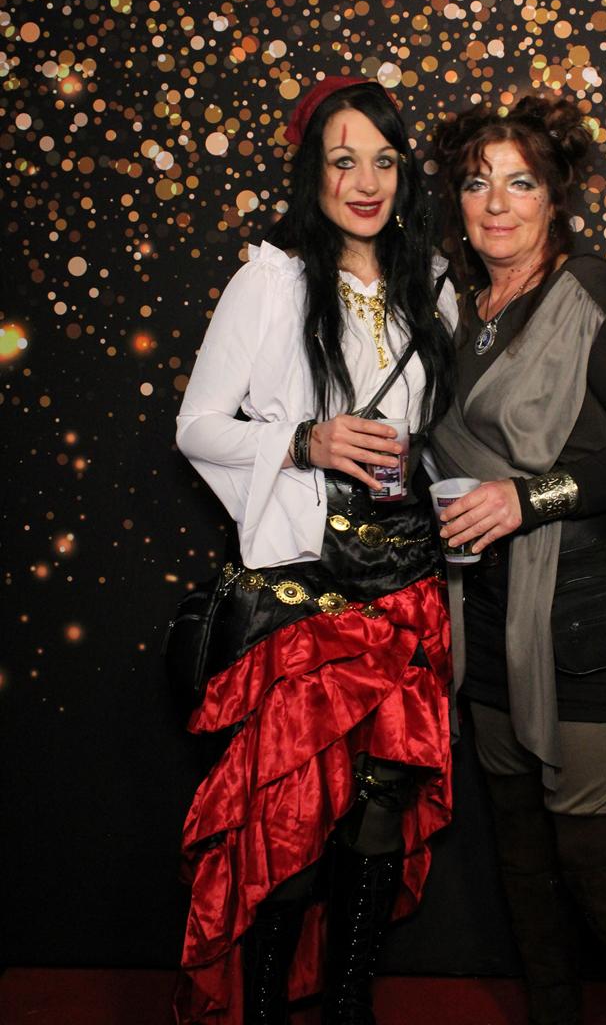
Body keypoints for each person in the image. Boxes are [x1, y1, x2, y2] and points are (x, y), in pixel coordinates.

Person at [174, 76, 457, 1025]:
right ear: (314, 172)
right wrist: (305, 441)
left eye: (384, 161)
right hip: (306, 594)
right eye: (344, 161)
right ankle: (262, 1011)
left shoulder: (434, 289)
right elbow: (196, 427)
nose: (366, 182)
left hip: (404, 589)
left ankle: (348, 1007)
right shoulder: (272, 282)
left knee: (381, 806)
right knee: (289, 813)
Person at [430, 92, 606, 1025]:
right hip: (488, 613)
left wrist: (527, 498)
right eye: (478, 184)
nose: (498, 204)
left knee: (597, 860)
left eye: (521, 183)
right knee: (520, 847)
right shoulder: (459, 310)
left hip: (585, 613)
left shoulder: (586, 293)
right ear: (459, 202)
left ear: (555, 197)